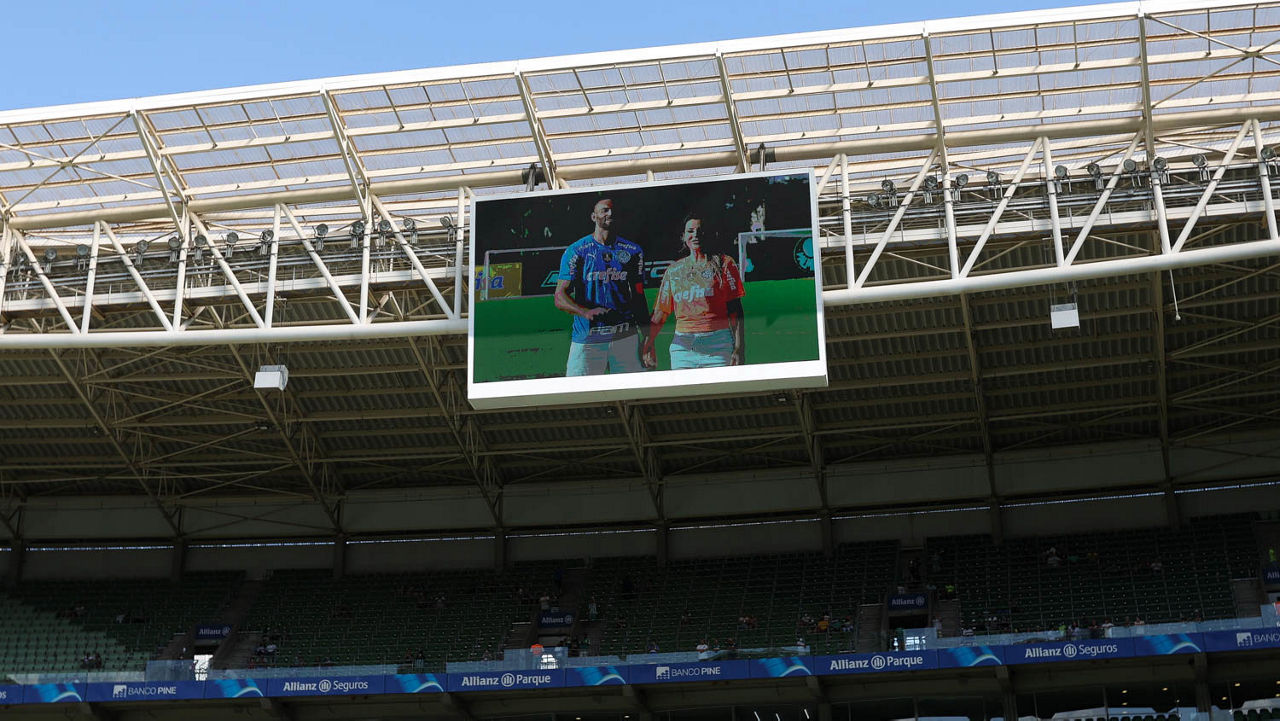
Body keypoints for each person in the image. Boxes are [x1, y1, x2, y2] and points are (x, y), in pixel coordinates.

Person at [554, 198, 650, 376]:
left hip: (625, 337)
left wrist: (648, 338)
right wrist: (585, 312)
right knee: (580, 391)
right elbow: (559, 296)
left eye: (613, 211)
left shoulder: (632, 251)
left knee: (632, 390)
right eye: (605, 210)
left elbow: (638, 296)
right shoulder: (577, 250)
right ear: (594, 216)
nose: (610, 214)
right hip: (587, 339)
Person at [643, 212, 746, 370]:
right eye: (690, 231)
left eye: (700, 230)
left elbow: (735, 311)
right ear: (683, 236)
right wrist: (647, 345)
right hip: (682, 349)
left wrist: (739, 348)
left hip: (718, 347)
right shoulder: (674, 270)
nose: (695, 235)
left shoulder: (724, 264)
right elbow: (660, 313)